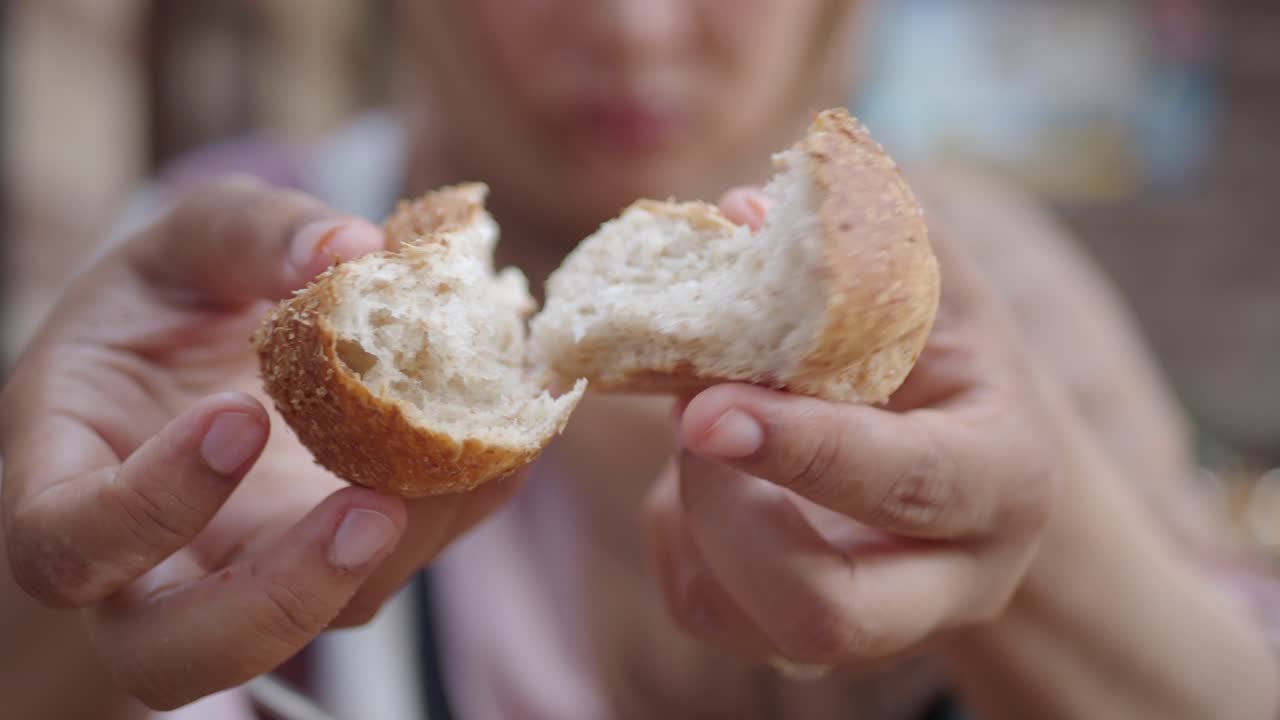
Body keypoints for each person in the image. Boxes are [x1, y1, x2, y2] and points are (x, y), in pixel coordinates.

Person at [2, 1, 1277, 718]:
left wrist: (1040, 561)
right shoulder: (230, 278)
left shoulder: (973, 288)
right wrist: (51, 609)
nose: (635, 29)